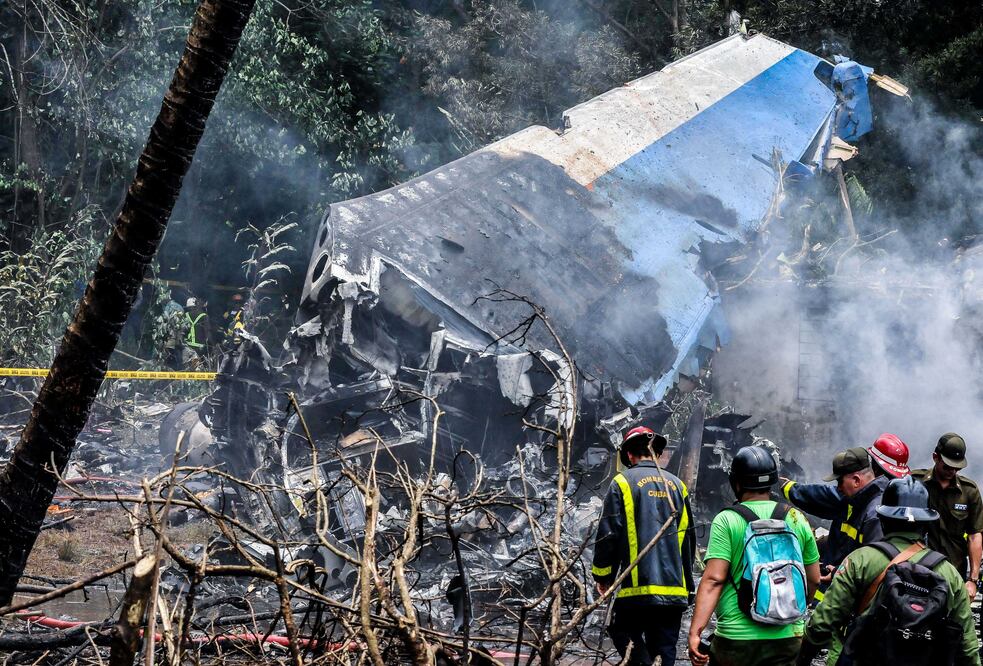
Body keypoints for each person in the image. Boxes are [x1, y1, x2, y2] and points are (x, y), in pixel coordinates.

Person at [795, 476, 981, 666]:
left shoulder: (860, 561)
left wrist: (803, 659)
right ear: (926, 524)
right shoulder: (949, 573)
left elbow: (822, 622)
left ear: (883, 520)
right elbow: (968, 645)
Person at [689, 446, 820, 666]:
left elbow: (714, 580)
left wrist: (695, 632)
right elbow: (814, 578)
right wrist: (790, 609)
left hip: (737, 640)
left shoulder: (726, 520)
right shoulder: (796, 517)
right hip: (788, 638)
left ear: (736, 483)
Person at [591, 426, 696, 666]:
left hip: (636, 590)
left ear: (628, 455)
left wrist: (603, 575)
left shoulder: (623, 482)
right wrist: (688, 587)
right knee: (665, 650)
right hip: (673, 592)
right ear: (658, 454)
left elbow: (608, 533)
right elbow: (688, 542)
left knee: (622, 632)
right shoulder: (678, 486)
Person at [781, 447, 889, 587]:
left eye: (839, 482)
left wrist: (839, 573)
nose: (838, 488)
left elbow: (874, 568)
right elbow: (818, 496)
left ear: (856, 480)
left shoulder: (874, 515)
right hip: (840, 584)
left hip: (850, 593)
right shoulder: (853, 499)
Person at [911, 433, 983, 595]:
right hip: (917, 572)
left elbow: (974, 535)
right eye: (948, 466)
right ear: (935, 457)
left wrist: (972, 580)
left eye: (957, 468)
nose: (952, 471)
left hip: (954, 574)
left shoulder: (969, 492)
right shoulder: (915, 483)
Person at [184, 297, 211, 367]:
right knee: (201, 366)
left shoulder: (185, 316)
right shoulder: (204, 316)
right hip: (200, 347)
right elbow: (207, 332)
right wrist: (211, 344)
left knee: (189, 367)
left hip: (188, 346)